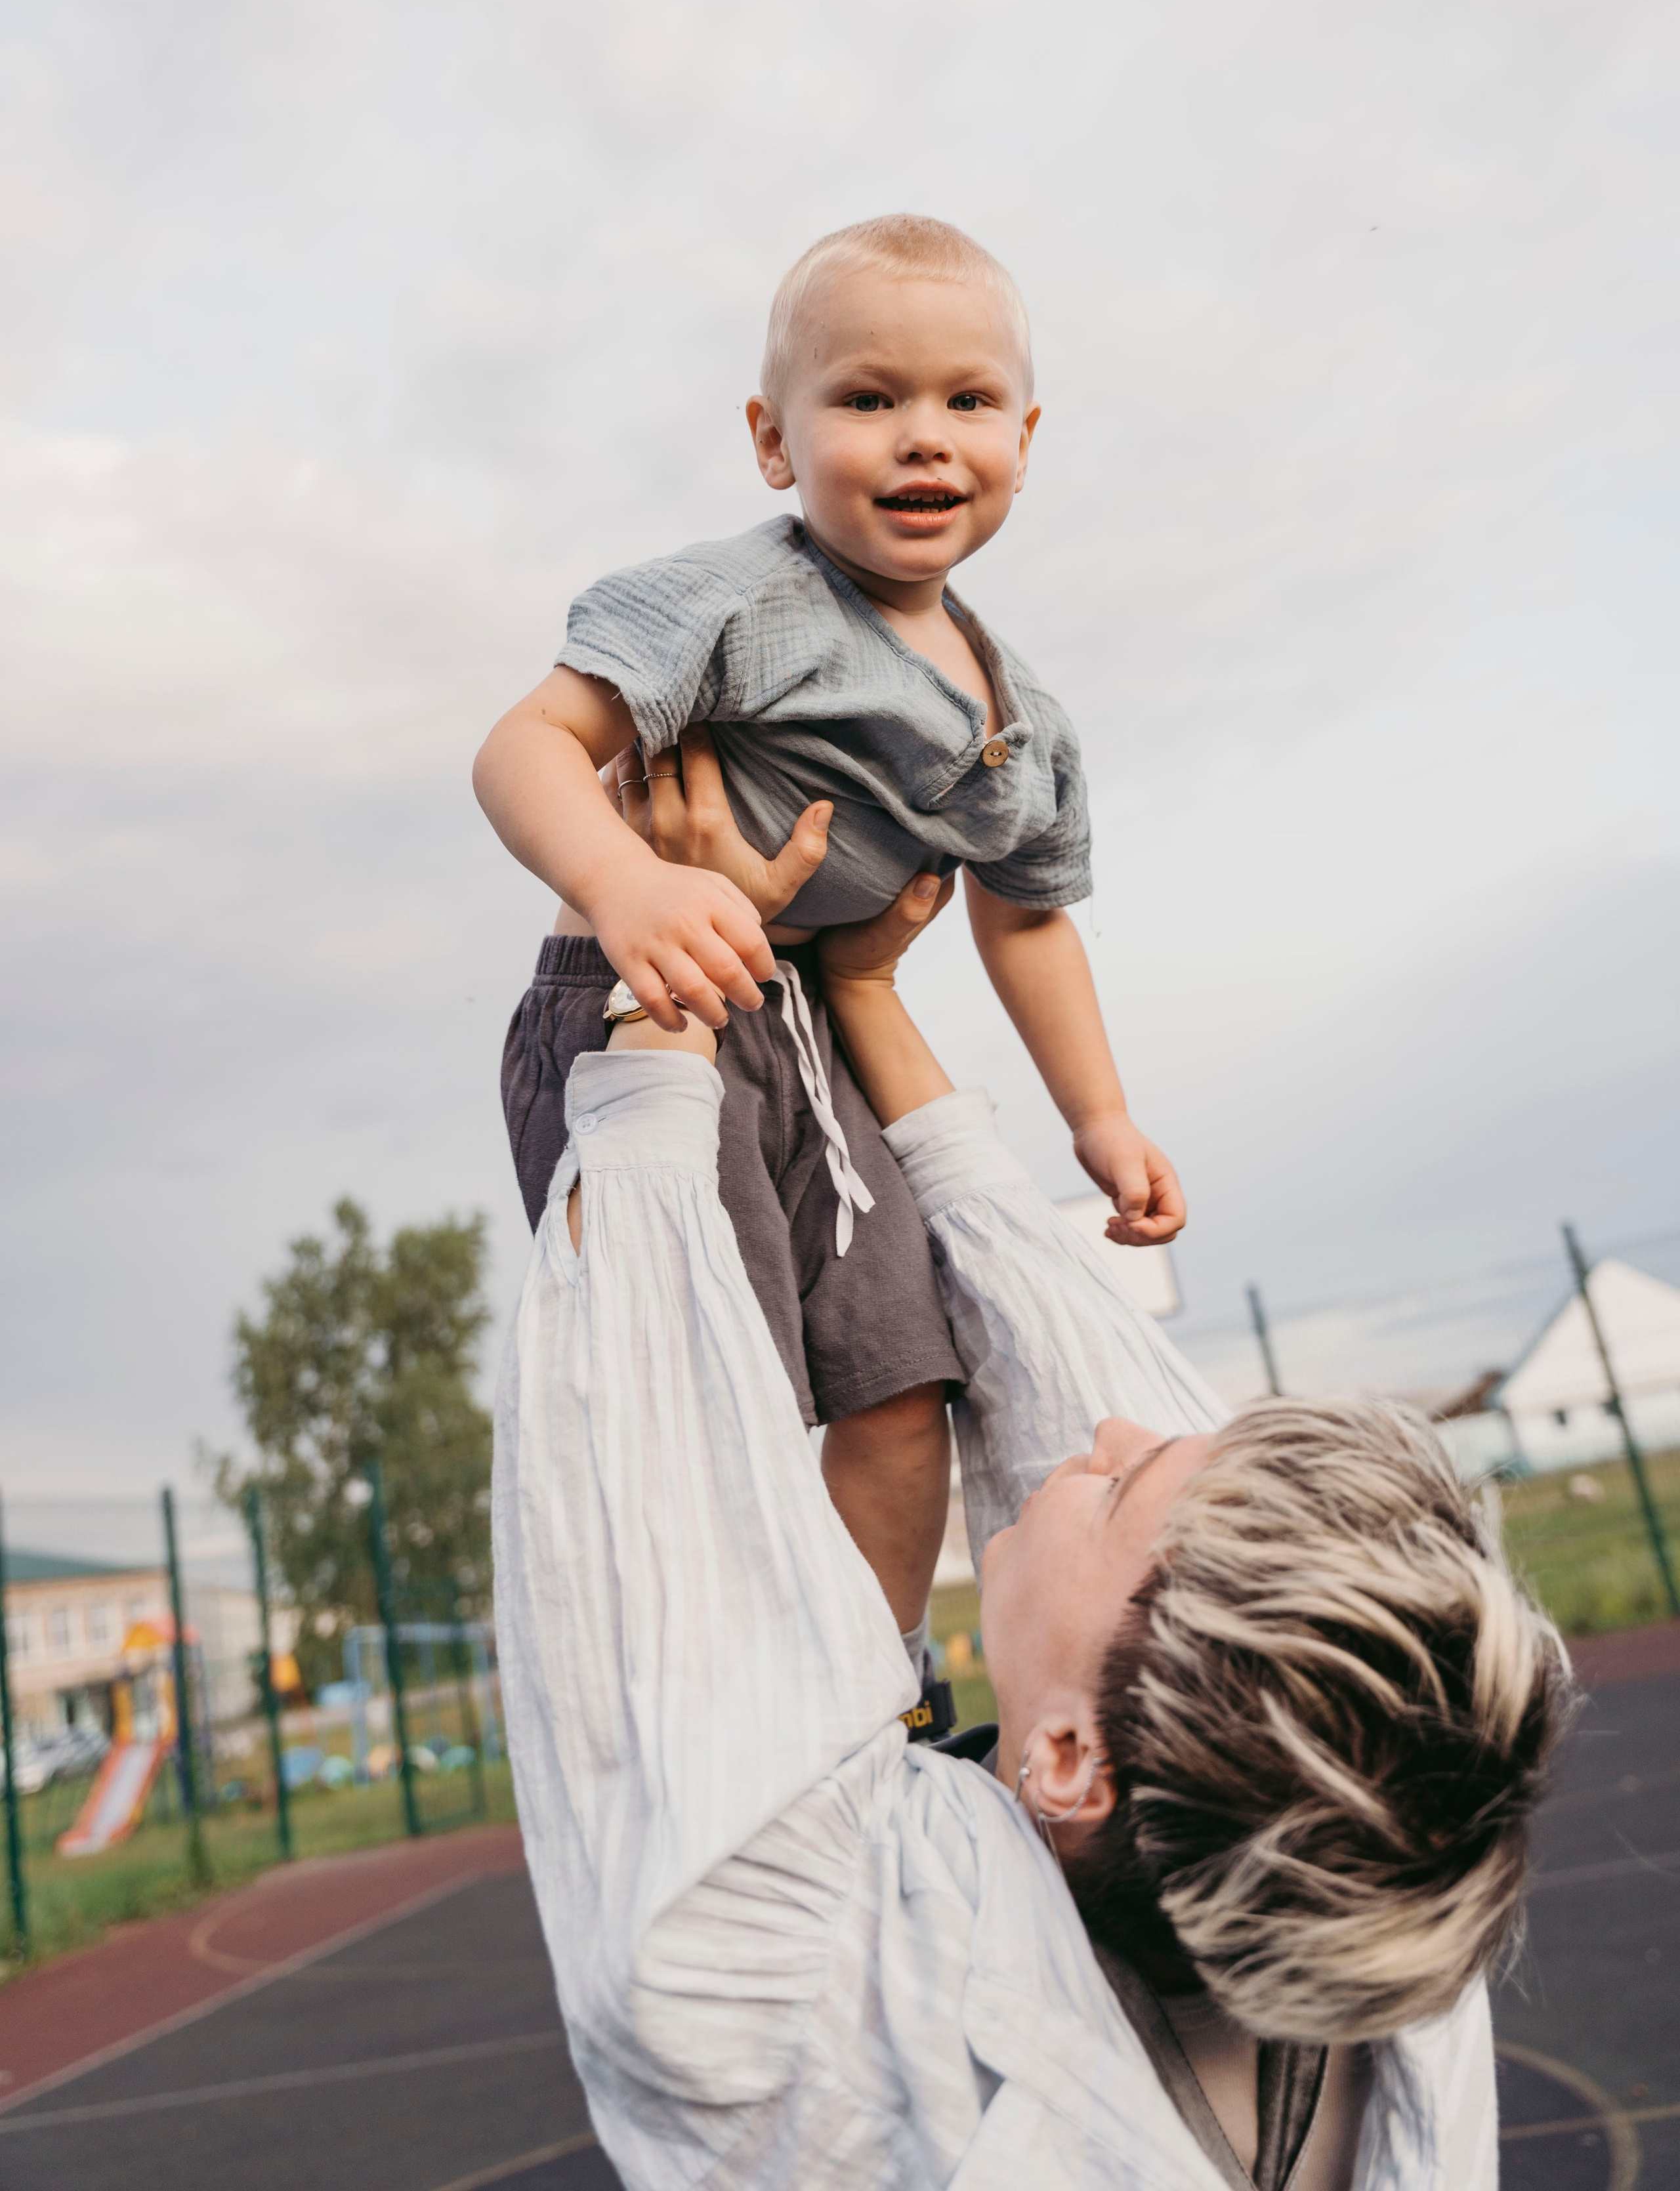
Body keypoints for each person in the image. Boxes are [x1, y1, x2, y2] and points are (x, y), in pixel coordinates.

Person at [494, 876, 1570, 2191]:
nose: (1101, 1441)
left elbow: (640, 1485)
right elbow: (1087, 1368)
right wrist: (866, 990)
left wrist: (655, 944)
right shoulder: (1380, 1883)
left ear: (1065, 1758)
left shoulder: (770, 2000)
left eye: (1118, 1492)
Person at [475, 213, 1183, 1669]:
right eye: (868, 399)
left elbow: (1026, 916)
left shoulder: (1017, 719)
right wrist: (625, 882)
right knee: (705, 1370)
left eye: (966, 402)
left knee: (896, 1376)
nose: (923, 438)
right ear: (773, 440)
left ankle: (877, 1681)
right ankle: (727, 1683)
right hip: (648, 1008)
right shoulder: (736, 600)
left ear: (1024, 437)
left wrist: (1097, 1119)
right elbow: (526, 743)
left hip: (810, 1034)